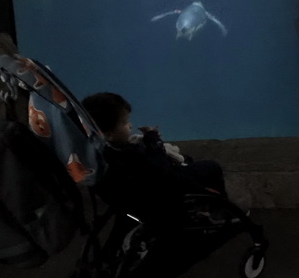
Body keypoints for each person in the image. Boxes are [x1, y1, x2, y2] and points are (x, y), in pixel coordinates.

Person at [81, 92, 228, 224]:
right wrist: (154, 139)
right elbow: (160, 168)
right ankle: (220, 210)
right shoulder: (129, 153)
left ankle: (202, 206)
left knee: (188, 160)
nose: (130, 125)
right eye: (125, 122)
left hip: (141, 191)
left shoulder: (108, 151)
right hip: (163, 188)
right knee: (211, 167)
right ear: (108, 134)